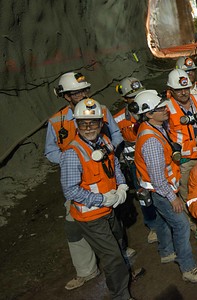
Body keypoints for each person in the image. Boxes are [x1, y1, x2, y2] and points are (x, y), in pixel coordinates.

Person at [45, 71, 124, 290]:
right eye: (75, 92)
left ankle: (120, 256)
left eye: (83, 90)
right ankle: (87, 270)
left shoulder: (101, 111)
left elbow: (116, 135)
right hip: (75, 178)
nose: (81, 94)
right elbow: (50, 150)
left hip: (102, 174)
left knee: (109, 215)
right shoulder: (55, 121)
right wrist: (72, 159)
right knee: (73, 226)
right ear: (65, 96)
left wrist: (107, 152)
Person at [132, 90, 197, 283]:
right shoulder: (151, 141)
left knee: (162, 221)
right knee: (181, 225)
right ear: (148, 113)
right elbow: (158, 178)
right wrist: (172, 198)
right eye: (159, 108)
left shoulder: (151, 127)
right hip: (161, 190)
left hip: (155, 190)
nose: (165, 109)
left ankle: (166, 252)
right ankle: (188, 268)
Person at [60, 98, 133, 299]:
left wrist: (122, 185)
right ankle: (121, 296)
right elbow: (71, 191)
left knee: (119, 242)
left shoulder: (104, 141)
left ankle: (122, 278)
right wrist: (102, 199)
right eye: (84, 123)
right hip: (91, 217)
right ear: (77, 124)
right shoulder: (72, 154)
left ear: (101, 123)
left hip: (109, 209)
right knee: (113, 258)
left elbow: (114, 166)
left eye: (93, 123)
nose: (89, 127)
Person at [114, 77, 158, 244]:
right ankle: (153, 225)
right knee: (143, 194)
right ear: (125, 99)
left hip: (155, 159)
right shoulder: (118, 119)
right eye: (132, 97)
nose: (137, 99)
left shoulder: (151, 111)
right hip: (135, 165)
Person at [166, 69, 197, 203]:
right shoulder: (166, 108)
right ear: (171, 90)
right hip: (185, 161)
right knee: (188, 193)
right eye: (179, 90)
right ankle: (191, 223)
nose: (184, 92)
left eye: (186, 88)